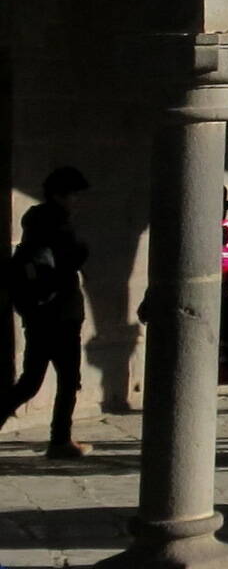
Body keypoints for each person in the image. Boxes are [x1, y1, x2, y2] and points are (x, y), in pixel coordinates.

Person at [3, 165, 91, 457]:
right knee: (67, 380)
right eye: (74, 195)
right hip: (60, 313)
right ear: (60, 195)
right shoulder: (57, 227)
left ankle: (60, 439)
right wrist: (80, 254)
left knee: (31, 380)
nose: (77, 201)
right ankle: (60, 441)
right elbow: (65, 263)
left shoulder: (36, 225)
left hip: (39, 313)